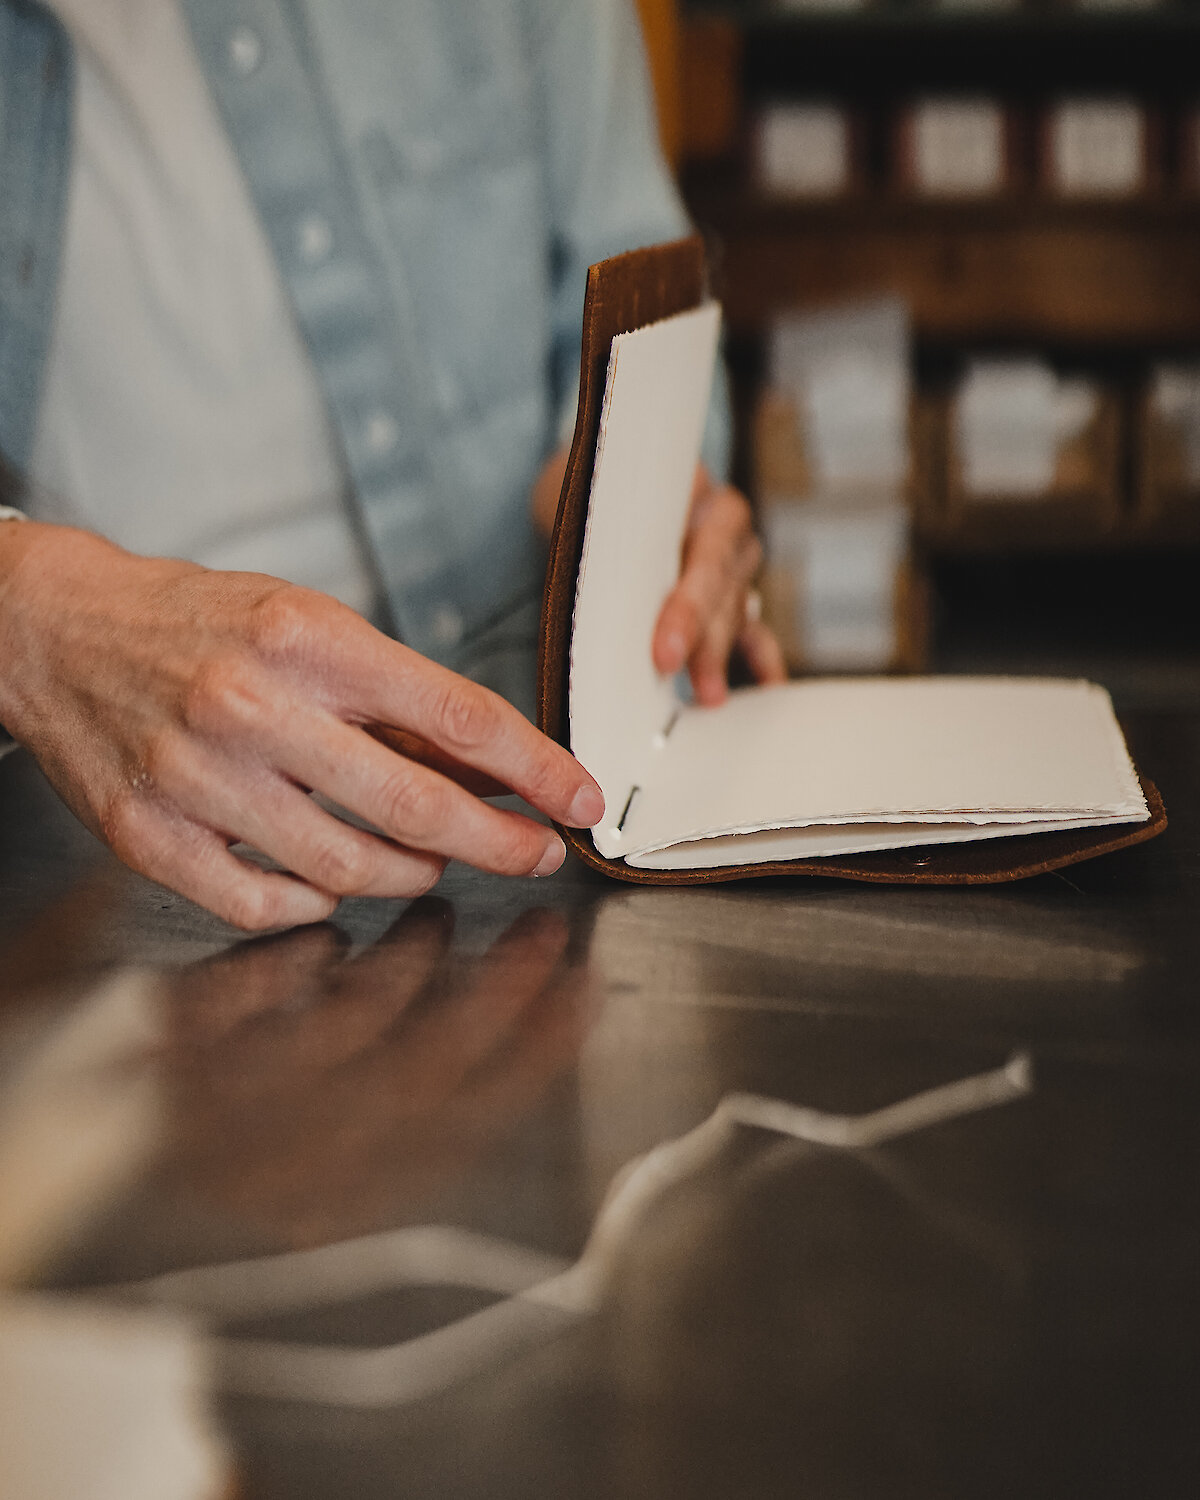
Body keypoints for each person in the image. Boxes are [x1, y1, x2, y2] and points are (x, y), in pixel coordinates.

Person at [0, 0, 783, 930]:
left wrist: (636, 502)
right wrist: (26, 611)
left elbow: (637, 281)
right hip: (90, 852)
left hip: (526, 766)